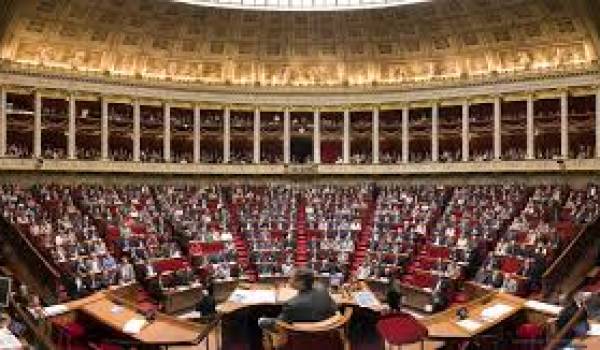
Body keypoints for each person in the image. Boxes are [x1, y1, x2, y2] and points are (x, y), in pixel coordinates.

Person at [258, 268, 337, 330]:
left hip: (299, 337)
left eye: (291, 278)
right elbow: (334, 308)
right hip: (325, 333)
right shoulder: (322, 289)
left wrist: (262, 321)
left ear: (301, 282)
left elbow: (279, 325)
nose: (288, 280)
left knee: (260, 320)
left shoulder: (291, 305)